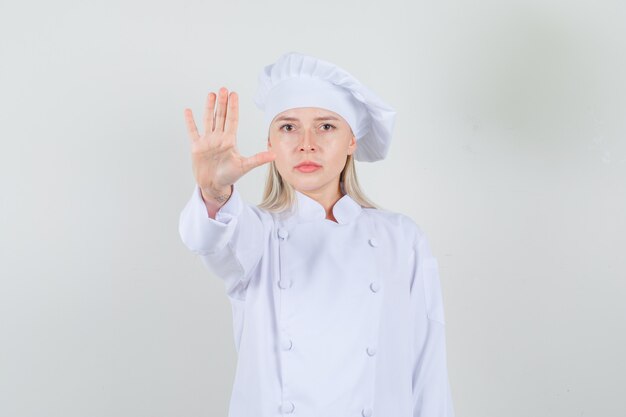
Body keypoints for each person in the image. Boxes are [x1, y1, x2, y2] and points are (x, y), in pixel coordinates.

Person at [179, 52, 455, 417]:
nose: (306, 143)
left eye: (326, 126)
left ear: (352, 141)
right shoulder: (257, 233)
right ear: (271, 142)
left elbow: (428, 366)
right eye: (288, 127)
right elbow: (209, 239)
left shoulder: (401, 238)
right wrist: (214, 192)